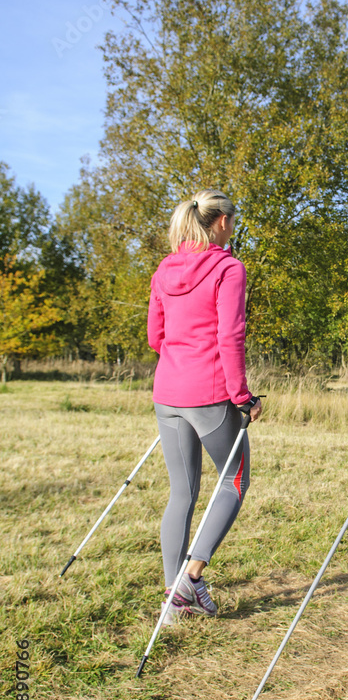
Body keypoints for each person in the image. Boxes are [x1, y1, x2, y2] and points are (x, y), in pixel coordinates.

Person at [147, 189, 262, 623]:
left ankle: (173, 596)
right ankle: (190, 579)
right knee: (234, 480)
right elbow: (230, 336)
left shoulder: (165, 269)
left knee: (182, 492)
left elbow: (155, 337)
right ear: (222, 222)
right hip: (209, 393)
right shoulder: (229, 268)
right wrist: (242, 396)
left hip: (167, 393)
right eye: (233, 221)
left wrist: (179, 356)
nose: (233, 227)